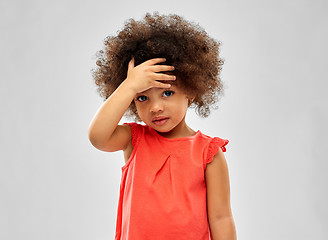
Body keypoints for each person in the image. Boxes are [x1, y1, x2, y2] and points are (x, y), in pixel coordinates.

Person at [88, 12, 237, 240]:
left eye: (167, 93)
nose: (155, 107)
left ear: (190, 90)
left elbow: (221, 218)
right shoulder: (133, 139)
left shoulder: (208, 153)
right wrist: (129, 86)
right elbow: (97, 137)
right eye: (142, 98)